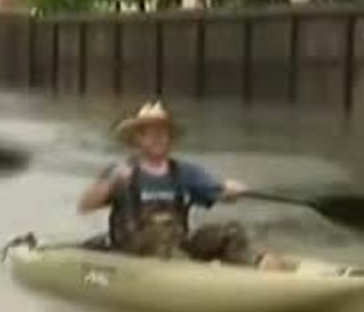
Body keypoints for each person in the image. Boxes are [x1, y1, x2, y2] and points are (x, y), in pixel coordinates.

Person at [79, 101, 288, 270]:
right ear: (138, 139)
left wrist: (230, 191)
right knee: (160, 234)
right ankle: (195, 273)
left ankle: (257, 264)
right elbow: (85, 205)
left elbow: (217, 191)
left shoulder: (185, 172)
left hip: (178, 244)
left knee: (229, 231)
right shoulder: (121, 171)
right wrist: (110, 183)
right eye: (151, 133)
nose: (158, 138)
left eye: (163, 133)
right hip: (135, 249)